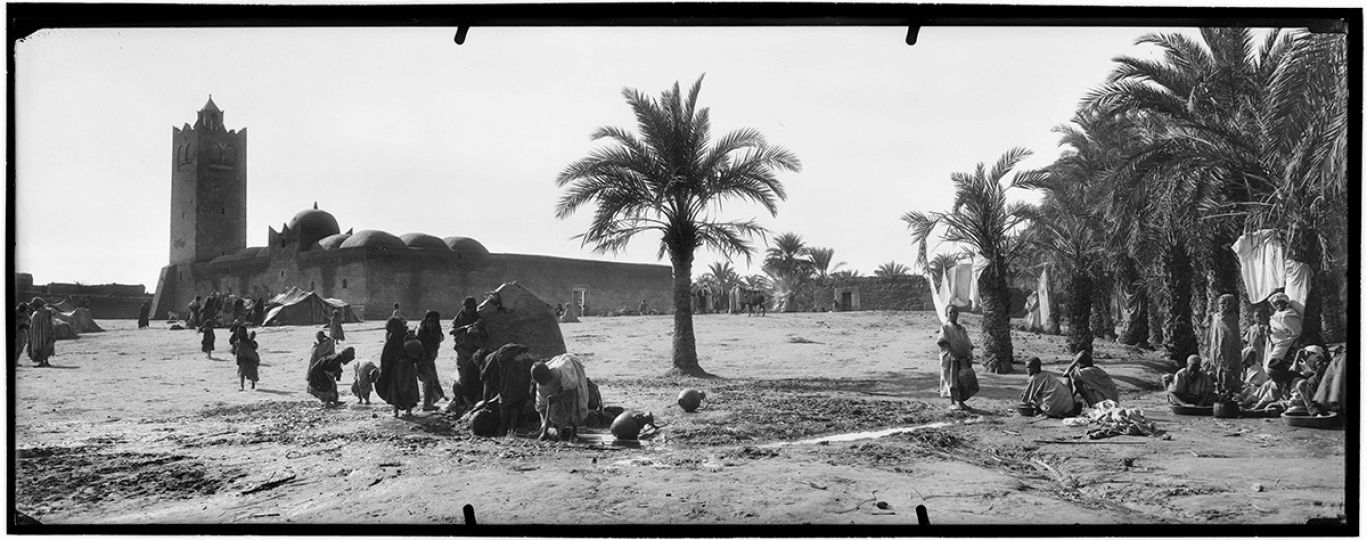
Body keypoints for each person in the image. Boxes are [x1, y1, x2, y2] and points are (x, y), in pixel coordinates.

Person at [532, 354, 593, 441]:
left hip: (572, 373)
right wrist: (544, 424)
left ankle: (574, 433)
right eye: (540, 382)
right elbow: (541, 406)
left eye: (543, 381)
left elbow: (572, 390)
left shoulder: (563, 372)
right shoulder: (541, 387)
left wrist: (557, 397)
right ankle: (560, 431)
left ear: (548, 375)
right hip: (558, 385)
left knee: (575, 403)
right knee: (555, 409)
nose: (542, 384)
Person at [935, 304, 978, 410]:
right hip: (951, 358)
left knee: (964, 379)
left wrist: (968, 353)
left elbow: (967, 342)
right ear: (947, 314)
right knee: (952, 380)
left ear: (958, 314)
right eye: (950, 312)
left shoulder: (962, 328)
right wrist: (952, 352)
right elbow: (942, 341)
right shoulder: (945, 328)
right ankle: (952, 402)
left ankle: (961, 401)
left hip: (962, 357)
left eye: (955, 312)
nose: (953, 314)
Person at [375, 317, 419, 417]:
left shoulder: (392, 339)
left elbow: (386, 356)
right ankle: (408, 410)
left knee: (395, 389)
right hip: (409, 368)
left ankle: (396, 411)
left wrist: (384, 369)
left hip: (397, 368)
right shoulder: (407, 337)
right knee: (408, 387)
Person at [449, 297, 485, 407]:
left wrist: (477, 329)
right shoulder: (459, 318)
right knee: (463, 377)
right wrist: (466, 328)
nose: (469, 310)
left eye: (471, 308)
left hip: (476, 352)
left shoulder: (477, 317)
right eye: (467, 308)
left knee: (478, 376)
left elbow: (484, 333)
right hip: (463, 352)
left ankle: (478, 399)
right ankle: (464, 401)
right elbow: (452, 331)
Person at [1209, 294, 1243, 401]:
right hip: (1216, 349)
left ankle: (1230, 395)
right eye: (1220, 303)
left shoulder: (1233, 318)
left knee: (1229, 373)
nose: (1222, 306)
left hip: (1230, 351)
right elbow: (1213, 334)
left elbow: (1234, 337)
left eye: (1224, 303)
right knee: (1218, 372)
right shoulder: (1215, 317)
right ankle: (1220, 393)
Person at [1265, 292, 1302, 383]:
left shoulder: (1289, 314)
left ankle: (1276, 376)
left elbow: (1296, 331)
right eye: (1277, 304)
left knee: (1272, 361)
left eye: (1281, 303)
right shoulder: (1275, 315)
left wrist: (1280, 334)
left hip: (1284, 341)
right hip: (1273, 340)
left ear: (1286, 303)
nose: (1279, 305)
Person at [416, 310, 446, 411]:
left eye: (434, 322)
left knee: (434, 381)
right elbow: (419, 349)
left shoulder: (436, 333)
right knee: (429, 381)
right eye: (429, 321)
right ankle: (426, 404)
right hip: (421, 360)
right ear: (426, 321)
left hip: (430, 360)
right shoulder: (422, 332)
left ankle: (431, 402)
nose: (431, 324)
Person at [26, 298, 55, 367]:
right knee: (47, 346)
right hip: (48, 333)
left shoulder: (36, 314)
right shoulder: (47, 312)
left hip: (38, 335)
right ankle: (46, 361)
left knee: (39, 346)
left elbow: (34, 327)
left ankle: (42, 362)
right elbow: (51, 323)